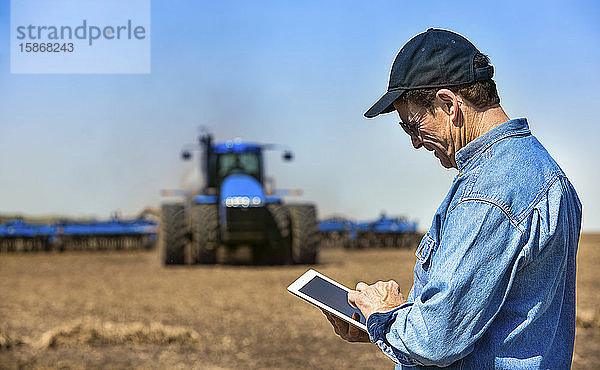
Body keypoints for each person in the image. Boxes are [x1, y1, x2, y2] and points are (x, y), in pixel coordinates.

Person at [322, 28, 582, 369]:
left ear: (448, 104)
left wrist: (384, 316)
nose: (415, 142)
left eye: (413, 126)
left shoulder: (489, 194)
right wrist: (378, 327)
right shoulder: (544, 171)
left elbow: (437, 339)